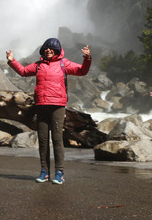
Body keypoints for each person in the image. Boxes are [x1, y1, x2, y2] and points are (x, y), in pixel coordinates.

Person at [6, 38, 91, 185]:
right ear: (43, 50)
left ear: (57, 50)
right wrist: (12, 61)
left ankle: (60, 173)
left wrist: (87, 58)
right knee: (43, 141)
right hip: (41, 105)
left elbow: (82, 71)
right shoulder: (39, 65)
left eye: (52, 48)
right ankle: (44, 171)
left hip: (57, 106)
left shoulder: (64, 63)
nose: (49, 50)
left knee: (57, 140)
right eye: (46, 48)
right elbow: (24, 71)